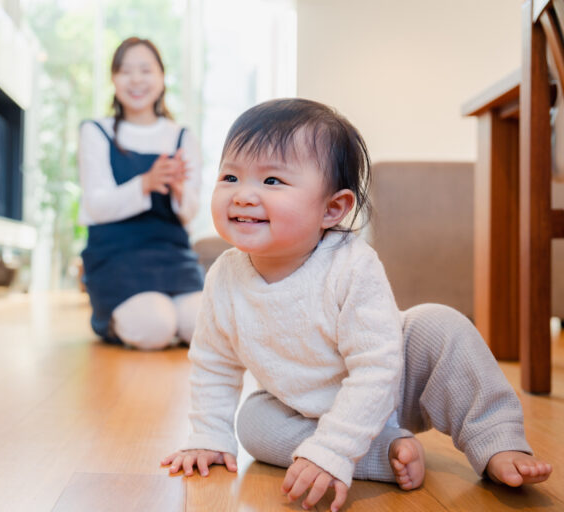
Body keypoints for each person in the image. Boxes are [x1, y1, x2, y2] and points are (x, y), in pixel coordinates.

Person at [161, 99, 552, 511]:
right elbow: (214, 362)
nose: (242, 195)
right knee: (253, 425)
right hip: (302, 405)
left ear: (333, 209)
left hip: (395, 382)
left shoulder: (351, 263)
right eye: (230, 176)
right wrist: (208, 435)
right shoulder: (225, 275)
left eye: (272, 180)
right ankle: (381, 454)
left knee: (439, 324)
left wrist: (333, 446)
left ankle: (497, 441)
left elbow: (378, 365)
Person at [77, 37, 205, 350]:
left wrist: (176, 189)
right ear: (114, 79)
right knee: (155, 327)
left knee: (202, 326)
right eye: (125, 71)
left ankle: (169, 319)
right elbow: (96, 206)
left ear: (161, 78)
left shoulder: (182, 136)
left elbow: (189, 213)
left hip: (172, 254)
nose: (136, 80)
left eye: (145, 70)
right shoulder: (97, 131)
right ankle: (109, 317)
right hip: (115, 256)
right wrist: (146, 183)